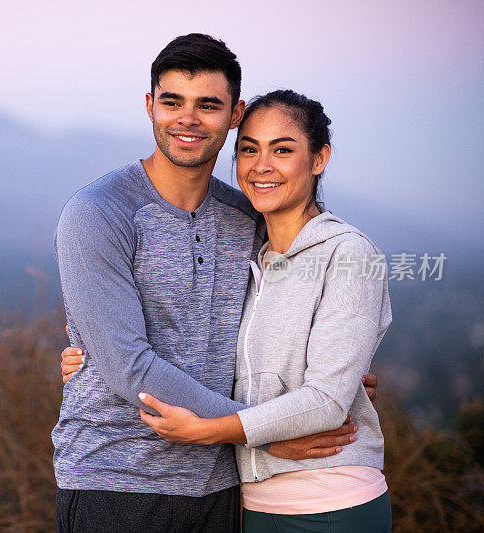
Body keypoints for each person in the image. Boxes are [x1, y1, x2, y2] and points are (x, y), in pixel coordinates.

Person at [53, 33, 372, 533]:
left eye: (208, 105)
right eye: (172, 101)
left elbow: (310, 303)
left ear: (235, 113)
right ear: (149, 105)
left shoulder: (250, 217)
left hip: (224, 489)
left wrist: (334, 375)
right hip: (115, 480)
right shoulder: (99, 212)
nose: (188, 118)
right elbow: (127, 364)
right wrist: (262, 432)